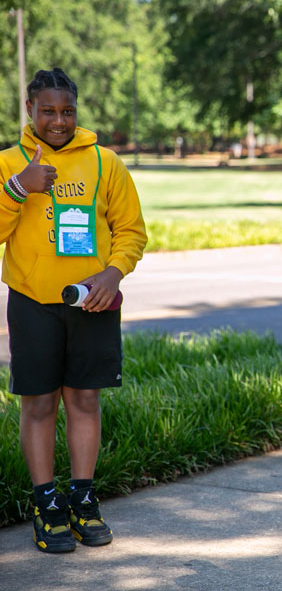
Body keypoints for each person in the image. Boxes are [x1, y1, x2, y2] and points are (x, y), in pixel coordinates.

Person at [0, 68, 147, 553]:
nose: (58, 121)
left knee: (84, 400)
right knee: (39, 404)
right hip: (32, 304)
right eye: (47, 111)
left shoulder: (107, 163)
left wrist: (113, 273)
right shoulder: (8, 164)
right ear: (30, 111)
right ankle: (47, 504)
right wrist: (19, 188)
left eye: (66, 111)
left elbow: (131, 231)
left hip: (92, 301)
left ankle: (83, 498)